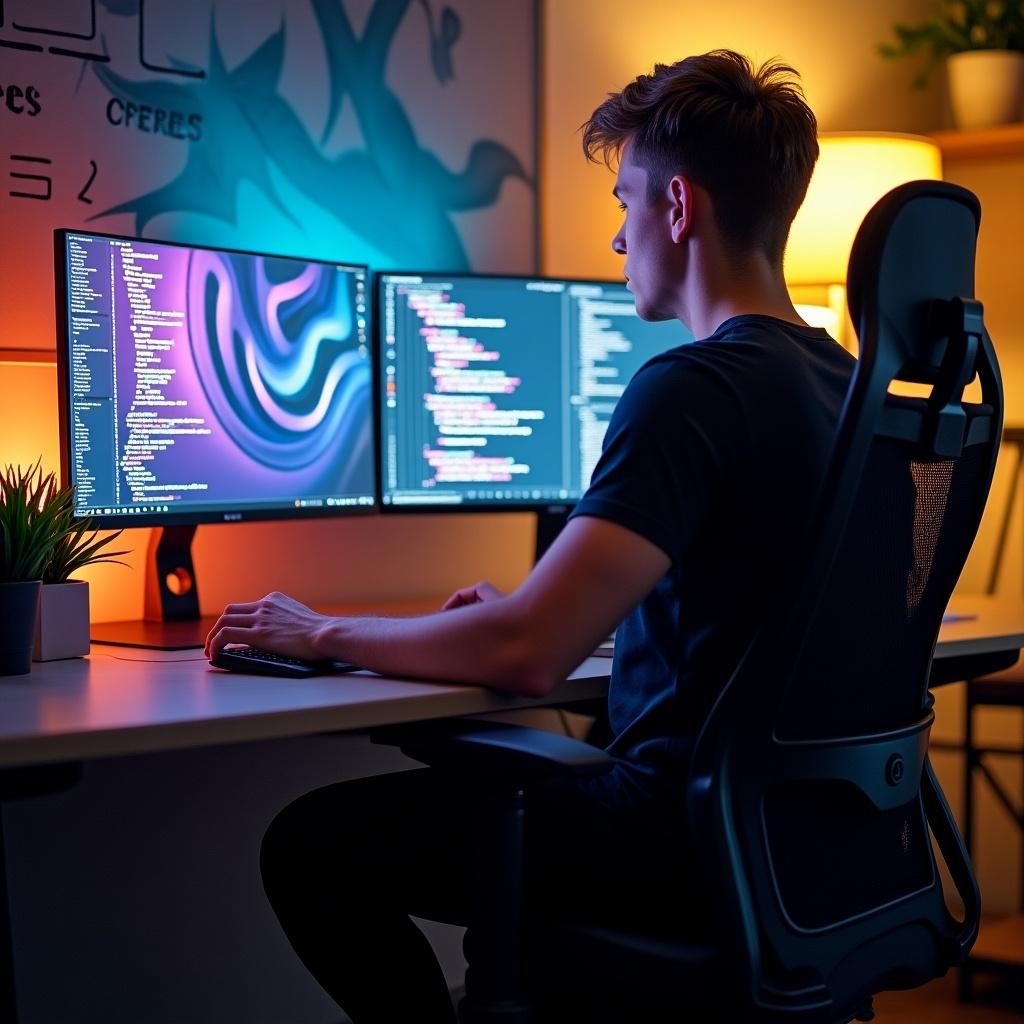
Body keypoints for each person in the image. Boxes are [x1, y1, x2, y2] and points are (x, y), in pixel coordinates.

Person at [207, 49, 855, 1023]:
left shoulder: (694, 387)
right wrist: (529, 607)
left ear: (677, 209)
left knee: (310, 844)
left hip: (674, 835)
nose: (615, 232)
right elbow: (736, 607)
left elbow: (521, 657)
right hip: (802, 840)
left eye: (627, 198)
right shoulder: (840, 384)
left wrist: (322, 631)